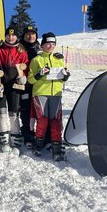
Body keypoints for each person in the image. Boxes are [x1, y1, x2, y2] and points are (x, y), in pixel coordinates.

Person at [28, 32, 70, 161]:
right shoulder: (37, 60)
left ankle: (56, 148)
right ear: (42, 45)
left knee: (56, 121)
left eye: (53, 44)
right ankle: (38, 145)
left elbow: (62, 78)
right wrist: (39, 74)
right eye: (47, 43)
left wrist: (65, 76)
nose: (50, 46)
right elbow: (30, 79)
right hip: (41, 92)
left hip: (56, 93)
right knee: (43, 119)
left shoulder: (59, 59)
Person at [0, 25, 29, 155]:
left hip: (15, 86)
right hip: (2, 85)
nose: (11, 37)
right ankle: (3, 137)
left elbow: (25, 68)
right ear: (5, 36)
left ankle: (15, 138)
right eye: (8, 35)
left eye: (13, 35)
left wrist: (23, 77)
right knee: (2, 112)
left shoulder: (22, 51)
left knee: (14, 113)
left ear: (16, 37)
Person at [19, 25, 41, 149]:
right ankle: (28, 135)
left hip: (39, 85)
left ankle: (40, 135)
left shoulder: (40, 48)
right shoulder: (19, 48)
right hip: (24, 84)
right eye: (27, 34)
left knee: (40, 110)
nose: (30, 36)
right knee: (26, 110)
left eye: (33, 34)